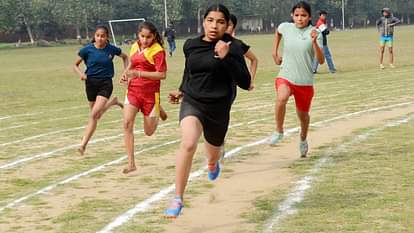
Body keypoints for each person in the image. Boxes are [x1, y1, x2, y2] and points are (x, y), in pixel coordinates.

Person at [164, 4, 251, 218]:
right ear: (203, 22)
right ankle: (178, 197)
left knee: (212, 154)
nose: (214, 26)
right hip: (193, 102)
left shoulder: (234, 47)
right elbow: (189, 72)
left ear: (227, 25)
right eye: (210, 20)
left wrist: (226, 56)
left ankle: (212, 163)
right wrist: (182, 91)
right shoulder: (191, 45)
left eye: (220, 22)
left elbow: (245, 81)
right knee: (188, 143)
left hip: (218, 109)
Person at [270, 1, 324, 158]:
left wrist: (314, 42)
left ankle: (303, 138)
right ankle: (279, 130)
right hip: (286, 75)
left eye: (304, 15)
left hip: (305, 82)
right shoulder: (286, 27)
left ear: (309, 17)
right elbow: (278, 32)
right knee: (281, 98)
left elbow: (320, 61)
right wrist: (275, 52)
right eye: (297, 15)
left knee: (303, 116)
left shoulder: (315, 32)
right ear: (292, 16)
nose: (300, 18)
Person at [120, 22, 168, 174]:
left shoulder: (158, 51)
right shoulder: (135, 46)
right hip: (133, 91)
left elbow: (162, 74)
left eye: (148, 37)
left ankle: (158, 107)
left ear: (154, 36)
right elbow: (132, 64)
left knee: (149, 131)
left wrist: (139, 74)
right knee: (127, 123)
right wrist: (126, 73)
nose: (145, 40)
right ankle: (131, 163)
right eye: (142, 36)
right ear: (138, 35)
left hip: (150, 95)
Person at [73, 25, 128, 155]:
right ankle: (113, 102)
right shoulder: (87, 50)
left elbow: (125, 57)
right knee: (96, 115)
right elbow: (75, 65)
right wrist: (81, 74)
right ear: (94, 36)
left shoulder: (112, 49)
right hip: (90, 83)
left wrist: (125, 73)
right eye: (98, 36)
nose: (100, 38)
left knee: (93, 115)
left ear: (107, 37)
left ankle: (83, 145)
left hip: (105, 84)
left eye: (103, 36)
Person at [226, 13, 258, 92]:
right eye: (222, 23)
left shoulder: (238, 45)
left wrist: (250, 80)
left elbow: (254, 60)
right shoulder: (210, 44)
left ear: (234, 27)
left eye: (229, 25)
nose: (225, 27)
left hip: (229, 89)